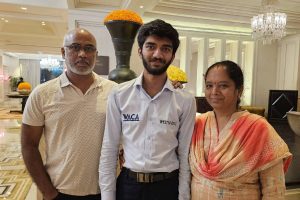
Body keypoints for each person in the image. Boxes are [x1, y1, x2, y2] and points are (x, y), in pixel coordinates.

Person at [99, 19, 196, 200]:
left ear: (172, 56)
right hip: (129, 187)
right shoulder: (119, 94)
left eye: (165, 49)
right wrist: (107, 196)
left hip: (167, 187)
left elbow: (185, 154)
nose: (157, 54)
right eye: (151, 46)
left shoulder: (185, 100)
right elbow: (109, 148)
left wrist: (183, 196)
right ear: (140, 51)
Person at [21, 28, 117, 200]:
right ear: (63, 52)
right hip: (59, 191)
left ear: (96, 54)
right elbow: (28, 145)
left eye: (88, 48)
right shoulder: (42, 94)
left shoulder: (114, 91)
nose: (82, 54)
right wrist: (49, 192)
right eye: (75, 47)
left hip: (106, 191)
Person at [189, 60, 292, 199]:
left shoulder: (258, 128)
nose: (214, 92)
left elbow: (273, 189)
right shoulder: (198, 124)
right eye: (209, 85)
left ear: (239, 90)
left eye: (223, 86)